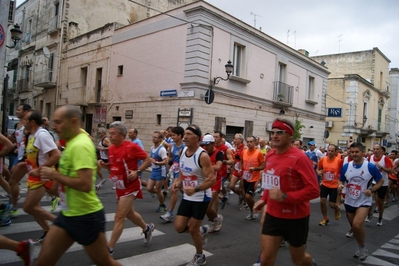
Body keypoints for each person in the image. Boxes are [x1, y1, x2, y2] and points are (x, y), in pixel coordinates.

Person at [34, 105, 120, 266]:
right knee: (43, 261)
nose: (53, 126)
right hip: (68, 214)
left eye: (58, 122)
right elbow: (67, 177)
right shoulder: (70, 143)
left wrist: (54, 175)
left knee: (105, 262)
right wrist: (53, 185)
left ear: (73, 122)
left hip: (86, 216)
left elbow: (86, 184)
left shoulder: (80, 145)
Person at [253, 119, 319, 266]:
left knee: (298, 259)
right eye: (273, 132)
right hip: (273, 214)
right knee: (265, 259)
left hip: (296, 217)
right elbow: (271, 183)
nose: (274, 136)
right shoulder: (270, 155)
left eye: (280, 132)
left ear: (290, 135)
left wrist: (285, 197)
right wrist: (264, 199)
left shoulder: (300, 158)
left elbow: (314, 190)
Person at [99, 121, 154, 255]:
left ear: (122, 135)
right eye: (109, 134)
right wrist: (105, 166)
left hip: (131, 186)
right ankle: (147, 228)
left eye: (113, 134)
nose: (110, 137)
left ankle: (109, 249)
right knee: (129, 214)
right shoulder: (111, 148)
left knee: (119, 216)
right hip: (120, 186)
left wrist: (137, 171)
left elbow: (148, 159)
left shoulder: (131, 146)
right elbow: (113, 167)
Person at [173, 124, 215, 266]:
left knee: (192, 229)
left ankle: (200, 256)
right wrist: (178, 181)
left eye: (189, 134)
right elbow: (182, 169)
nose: (185, 137)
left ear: (198, 138)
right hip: (187, 196)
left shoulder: (202, 156)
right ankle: (201, 231)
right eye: (185, 134)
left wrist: (196, 189)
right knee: (179, 227)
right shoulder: (183, 150)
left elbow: (211, 179)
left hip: (201, 197)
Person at [339, 142, 383, 261]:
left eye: (356, 152)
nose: (354, 154)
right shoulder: (346, 166)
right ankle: (360, 247)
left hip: (364, 201)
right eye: (352, 152)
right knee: (355, 228)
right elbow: (341, 180)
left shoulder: (370, 167)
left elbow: (381, 181)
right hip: (349, 201)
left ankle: (363, 248)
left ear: (362, 152)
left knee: (357, 225)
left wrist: (372, 190)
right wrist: (340, 185)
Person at [23, 110, 61, 243]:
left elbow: (56, 155)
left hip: (42, 177)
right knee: (34, 208)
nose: (22, 121)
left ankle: (61, 223)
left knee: (28, 207)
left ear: (32, 122)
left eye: (25, 120)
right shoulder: (32, 135)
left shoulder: (42, 135)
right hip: (34, 177)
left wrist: (39, 169)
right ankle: (48, 231)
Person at [9, 103, 31, 216]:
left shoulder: (28, 127)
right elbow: (19, 141)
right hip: (20, 155)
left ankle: (14, 207)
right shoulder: (18, 125)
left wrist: (26, 152)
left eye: (19, 109)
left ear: (26, 111)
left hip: (26, 157)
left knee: (13, 181)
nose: (17, 111)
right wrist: (17, 147)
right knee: (12, 178)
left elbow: (32, 140)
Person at [161, 126, 185, 222]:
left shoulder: (184, 147)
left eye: (174, 135)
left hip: (183, 171)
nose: (172, 137)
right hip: (174, 170)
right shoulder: (172, 146)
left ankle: (170, 213)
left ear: (179, 136)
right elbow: (170, 157)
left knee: (173, 190)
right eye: (172, 135)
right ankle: (189, 203)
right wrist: (167, 161)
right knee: (183, 190)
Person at [366, 144, 393, 225]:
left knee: (380, 201)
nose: (375, 151)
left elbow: (391, 171)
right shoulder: (370, 158)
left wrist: (381, 167)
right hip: (372, 182)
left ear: (381, 150)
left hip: (383, 182)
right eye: (374, 149)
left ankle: (380, 217)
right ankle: (370, 214)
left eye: (377, 149)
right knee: (368, 198)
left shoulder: (385, 159)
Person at [201, 134, 224, 232]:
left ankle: (216, 219)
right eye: (204, 145)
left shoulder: (219, 153)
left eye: (208, 145)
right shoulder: (203, 152)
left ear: (213, 144)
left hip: (215, 181)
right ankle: (216, 218)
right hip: (205, 181)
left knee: (207, 206)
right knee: (204, 207)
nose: (205, 147)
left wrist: (206, 166)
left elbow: (218, 167)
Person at [239, 136, 265, 220]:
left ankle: (255, 209)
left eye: (251, 142)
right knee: (247, 196)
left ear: (254, 143)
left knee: (248, 196)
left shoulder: (258, 153)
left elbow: (263, 165)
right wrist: (240, 168)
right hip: (246, 177)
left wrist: (255, 168)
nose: (249, 143)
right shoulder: (244, 152)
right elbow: (241, 162)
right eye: (248, 142)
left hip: (254, 178)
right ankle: (251, 211)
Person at [316, 144, 343, 226]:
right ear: (327, 151)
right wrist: (319, 172)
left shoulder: (338, 161)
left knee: (332, 204)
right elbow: (318, 168)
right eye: (329, 150)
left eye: (332, 151)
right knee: (322, 201)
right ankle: (325, 218)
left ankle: (337, 209)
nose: (330, 152)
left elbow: (342, 173)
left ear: (335, 152)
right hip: (325, 184)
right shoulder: (323, 159)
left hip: (334, 185)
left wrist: (340, 183)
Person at [148, 130, 168, 212]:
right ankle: (162, 194)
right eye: (153, 137)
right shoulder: (152, 148)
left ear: (160, 139)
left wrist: (156, 162)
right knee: (149, 188)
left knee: (157, 190)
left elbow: (165, 161)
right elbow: (150, 158)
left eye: (155, 137)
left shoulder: (162, 149)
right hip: (154, 170)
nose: (153, 139)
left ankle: (162, 206)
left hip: (160, 171)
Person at [213, 131, 234, 209]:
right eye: (213, 137)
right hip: (213, 172)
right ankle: (225, 196)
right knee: (219, 188)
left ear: (221, 138)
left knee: (215, 191)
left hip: (222, 172)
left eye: (216, 137)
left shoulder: (226, 148)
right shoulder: (212, 147)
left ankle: (215, 213)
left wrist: (224, 161)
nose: (214, 139)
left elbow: (231, 161)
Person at [230, 133, 246, 205]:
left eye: (236, 139)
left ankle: (245, 201)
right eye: (234, 139)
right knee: (231, 186)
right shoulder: (235, 147)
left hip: (243, 170)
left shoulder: (245, 148)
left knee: (241, 189)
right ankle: (240, 195)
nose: (234, 140)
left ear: (241, 140)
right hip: (236, 169)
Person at [95, 127, 111, 192]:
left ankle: (119, 182)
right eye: (98, 133)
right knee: (96, 167)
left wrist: (103, 149)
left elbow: (111, 147)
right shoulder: (100, 139)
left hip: (107, 158)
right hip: (102, 158)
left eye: (99, 133)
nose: (98, 134)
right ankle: (102, 179)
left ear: (103, 133)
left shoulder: (106, 139)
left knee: (111, 172)